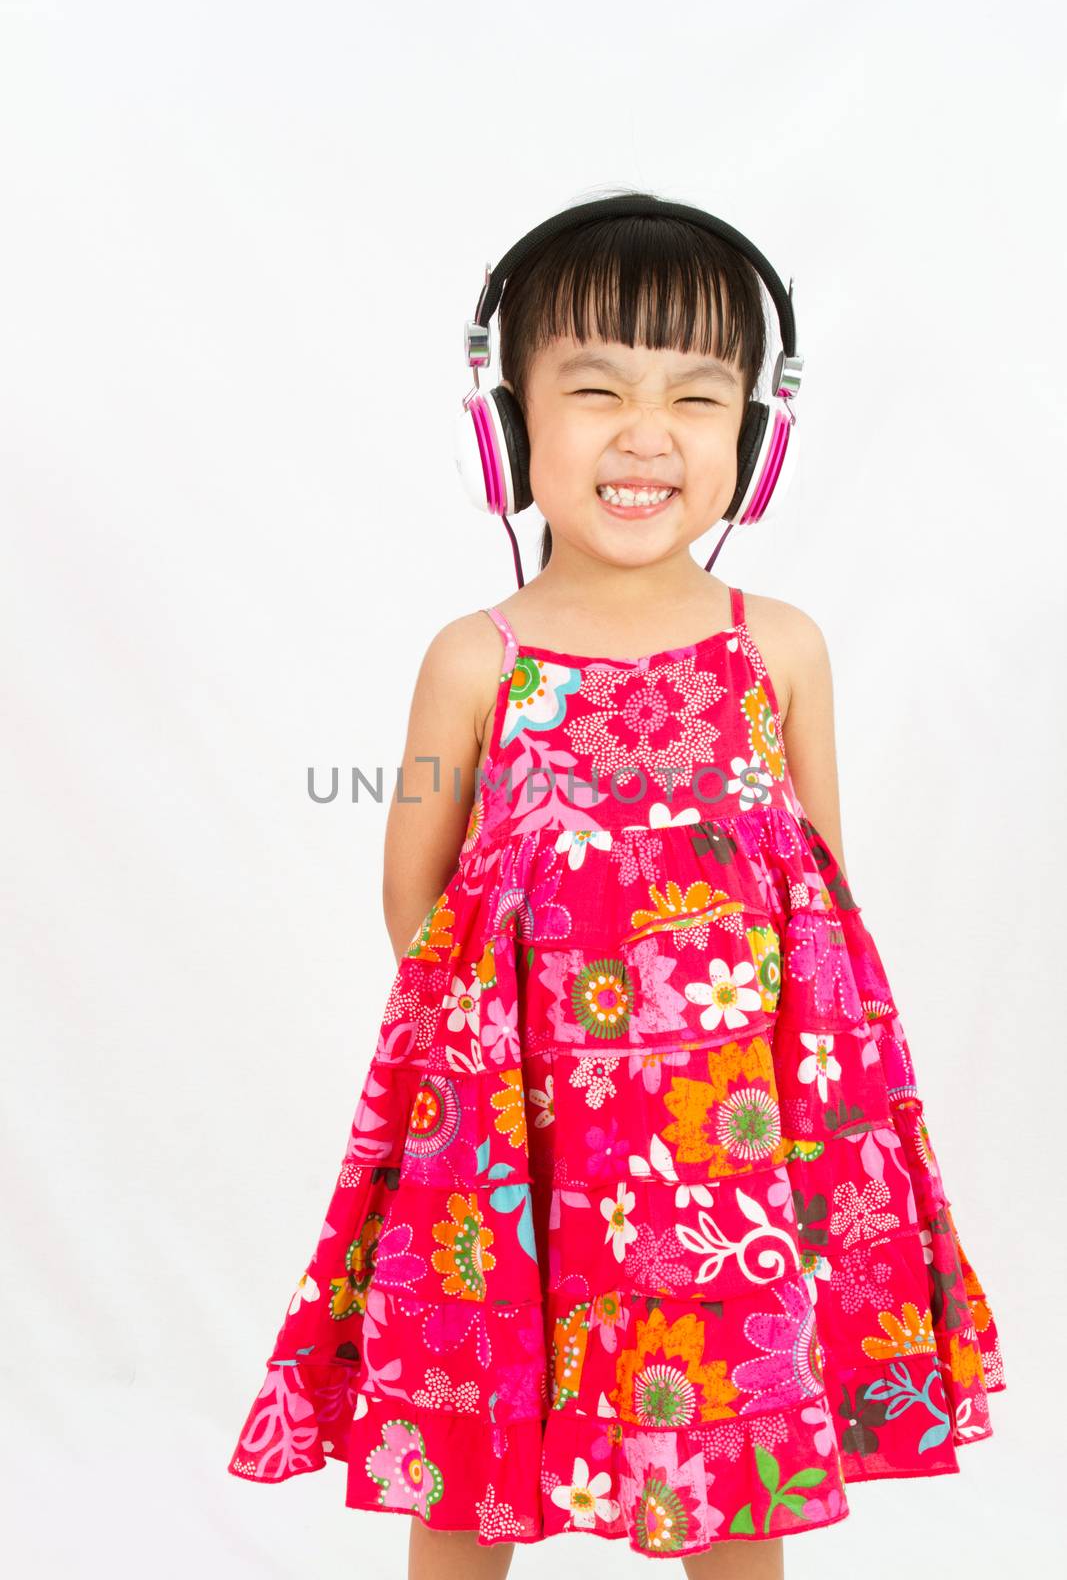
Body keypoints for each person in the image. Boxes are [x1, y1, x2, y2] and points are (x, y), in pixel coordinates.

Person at [227, 193, 1005, 1578]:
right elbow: (416, 885)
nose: (646, 435)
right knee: (474, 1456)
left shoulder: (780, 650)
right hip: (518, 1138)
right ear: (507, 422)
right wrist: (522, 1069)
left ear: (755, 441)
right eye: (594, 389)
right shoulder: (476, 660)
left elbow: (816, 899)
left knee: (736, 1461)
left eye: (697, 399)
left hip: (733, 1152)